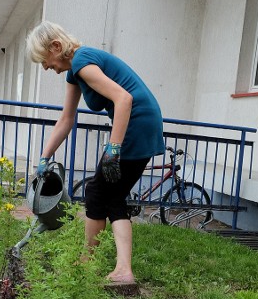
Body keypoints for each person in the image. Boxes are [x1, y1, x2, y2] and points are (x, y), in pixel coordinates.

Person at [26, 21, 164, 285]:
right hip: (139, 122)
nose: (45, 67)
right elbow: (66, 119)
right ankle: (120, 270)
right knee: (112, 195)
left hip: (137, 122)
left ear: (56, 46)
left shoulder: (82, 61)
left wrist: (113, 149)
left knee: (98, 191)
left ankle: (89, 262)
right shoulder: (74, 73)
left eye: (44, 60)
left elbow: (124, 99)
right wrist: (44, 157)